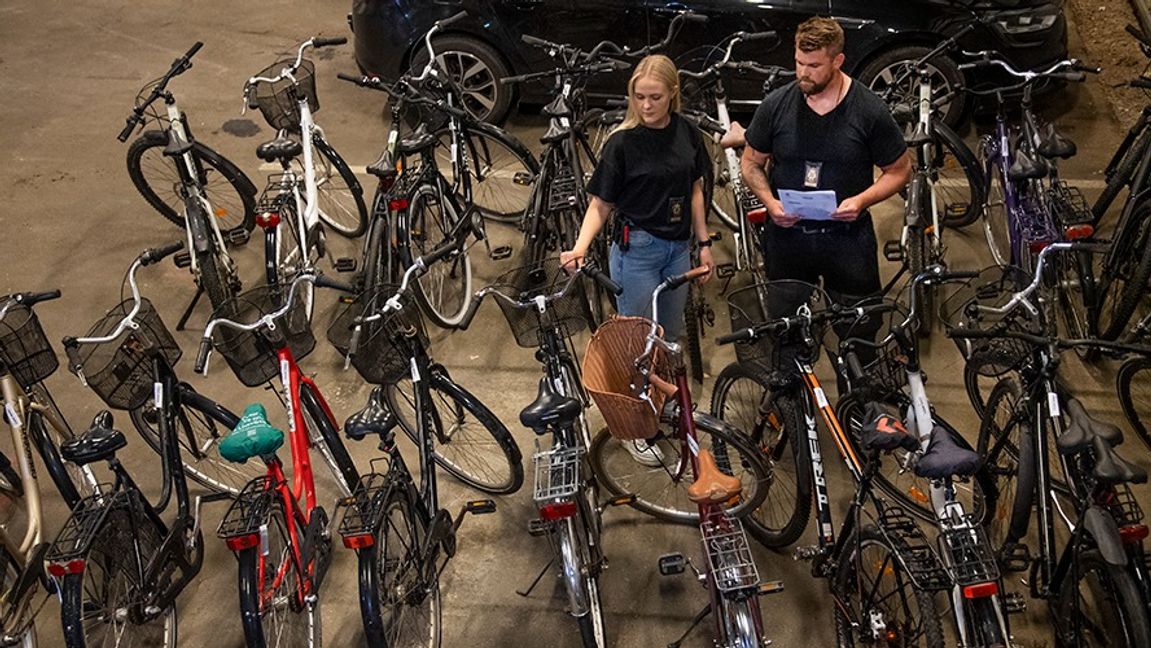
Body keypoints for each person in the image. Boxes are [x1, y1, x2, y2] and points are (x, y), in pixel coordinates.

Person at [560, 54, 712, 466]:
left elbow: (696, 189)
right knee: (638, 344)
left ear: (673, 94)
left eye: (655, 97)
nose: (646, 106)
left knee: (670, 336)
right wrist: (579, 246)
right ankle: (632, 426)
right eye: (639, 97)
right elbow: (600, 205)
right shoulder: (621, 144)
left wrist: (704, 243)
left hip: (678, 250)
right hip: (638, 253)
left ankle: (661, 406)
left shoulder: (687, 134)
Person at [740, 17, 911, 313]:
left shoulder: (869, 110)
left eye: (814, 66)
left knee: (858, 333)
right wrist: (770, 203)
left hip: (848, 242)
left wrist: (861, 201)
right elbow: (751, 163)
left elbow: (899, 170)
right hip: (787, 241)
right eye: (799, 63)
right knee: (786, 335)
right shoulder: (776, 105)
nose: (803, 74)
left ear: (838, 61)